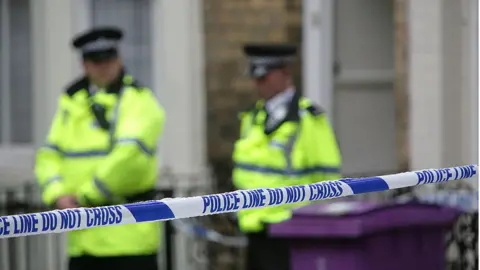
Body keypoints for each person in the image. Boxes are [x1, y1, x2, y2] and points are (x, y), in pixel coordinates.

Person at [34, 27, 165, 270]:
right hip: (83, 241)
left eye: (109, 59)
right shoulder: (71, 103)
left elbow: (129, 156)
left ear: (119, 59)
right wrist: (57, 194)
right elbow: (48, 155)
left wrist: (85, 196)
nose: (104, 66)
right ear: (84, 64)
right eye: (96, 61)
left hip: (129, 239)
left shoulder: (138, 99)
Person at [232, 44, 342, 270]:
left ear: (285, 73)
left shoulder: (309, 120)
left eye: (264, 77)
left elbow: (328, 177)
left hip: (293, 230)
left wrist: (321, 227)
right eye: (256, 78)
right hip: (254, 227)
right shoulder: (252, 118)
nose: (258, 84)